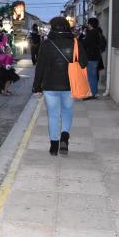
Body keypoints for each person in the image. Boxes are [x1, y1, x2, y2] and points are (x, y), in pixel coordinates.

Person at [33, 16, 87, 156]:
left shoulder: (46, 44)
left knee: (53, 115)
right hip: (70, 85)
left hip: (50, 85)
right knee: (67, 112)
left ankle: (53, 145)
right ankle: (64, 139)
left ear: (53, 28)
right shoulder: (75, 43)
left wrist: (36, 87)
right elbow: (83, 63)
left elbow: (40, 67)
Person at [81, 17, 104, 99]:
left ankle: (92, 94)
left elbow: (84, 43)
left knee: (91, 76)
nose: (87, 24)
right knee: (93, 75)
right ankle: (93, 92)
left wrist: (82, 36)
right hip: (96, 56)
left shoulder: (92, 33)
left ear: (90, 24)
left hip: (91, 57)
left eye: (88, 23)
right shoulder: (98, 32)